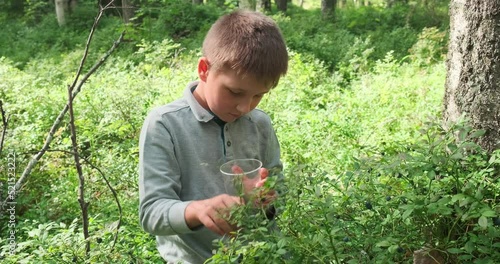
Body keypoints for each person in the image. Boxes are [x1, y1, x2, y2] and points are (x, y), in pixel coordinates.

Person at [138, 9, 288, 263]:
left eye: (258, 96)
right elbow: (152, 212)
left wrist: (266, 201)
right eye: (234, 92)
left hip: (262, 255)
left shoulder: (260, 123)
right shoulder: (165, 124)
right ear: (204, 69)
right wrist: (199, 210)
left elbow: (278, 187)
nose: (244, 107)